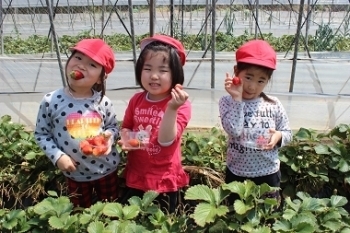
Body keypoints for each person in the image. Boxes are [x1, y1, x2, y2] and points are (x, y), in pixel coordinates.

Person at [34, 38, 120, 208]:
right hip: (75, 174)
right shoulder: (51, 101)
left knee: (110, 209)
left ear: (100, 79)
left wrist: (108, 139)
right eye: (78, 58)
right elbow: (42, 134)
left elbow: (113, 127)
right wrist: (58, 156)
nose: (81, 66)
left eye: (92, 65)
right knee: (80, 211)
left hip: (106, 169)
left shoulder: (103, 102)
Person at [118, 34, 191, 214]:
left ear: (175, 74)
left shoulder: (181, 104)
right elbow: (126, 126)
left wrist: (172, 108)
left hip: (163, 178)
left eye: (163, 70)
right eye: (147, 68)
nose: (154, 76)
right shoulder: (137, 99)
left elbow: (166, 141)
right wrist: (126, 139)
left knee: (160, 222)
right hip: (137, 173)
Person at [219, 39, 292, 205]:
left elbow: (288, 132)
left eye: (261, 81)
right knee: (235, 214)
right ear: (237, 72)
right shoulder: (227, 102)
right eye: (248, 77)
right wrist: (237, 99)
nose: (252, 86)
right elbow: (234, 131)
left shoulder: (273, 104)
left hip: (268, 173)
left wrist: (279, 136)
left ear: (268, 80)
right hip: (237, 173)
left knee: (266, 215)